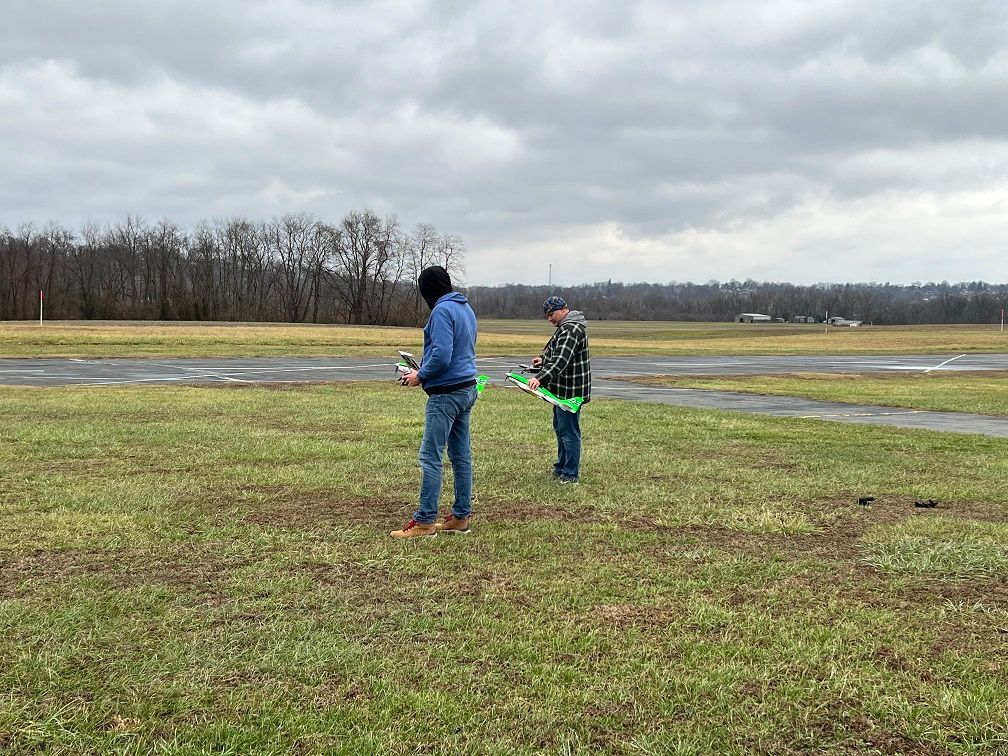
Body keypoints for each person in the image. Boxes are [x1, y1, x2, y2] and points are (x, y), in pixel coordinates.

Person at [391, 265, 479, 538]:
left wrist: (420, 375)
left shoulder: (441, 311)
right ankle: (461, 516)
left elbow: (441, 354)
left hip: (446, 394)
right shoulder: (465, 308)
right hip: (467, 388)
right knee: (461, 456)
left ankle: (425, 521)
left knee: (430, 456)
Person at [528, 296, 591, 483]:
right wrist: (543, 360)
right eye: (547, 316)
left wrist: (539, 378)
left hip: (570, 392)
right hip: (561, 390)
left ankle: (570, 474)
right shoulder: (566, 327)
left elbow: (561, 361)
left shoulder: (571, 329)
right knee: (561, 429)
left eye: (551, 314)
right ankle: (562, 467)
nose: (549, 319)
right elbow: (558, 353)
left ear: (563, 309)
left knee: (569, 432)